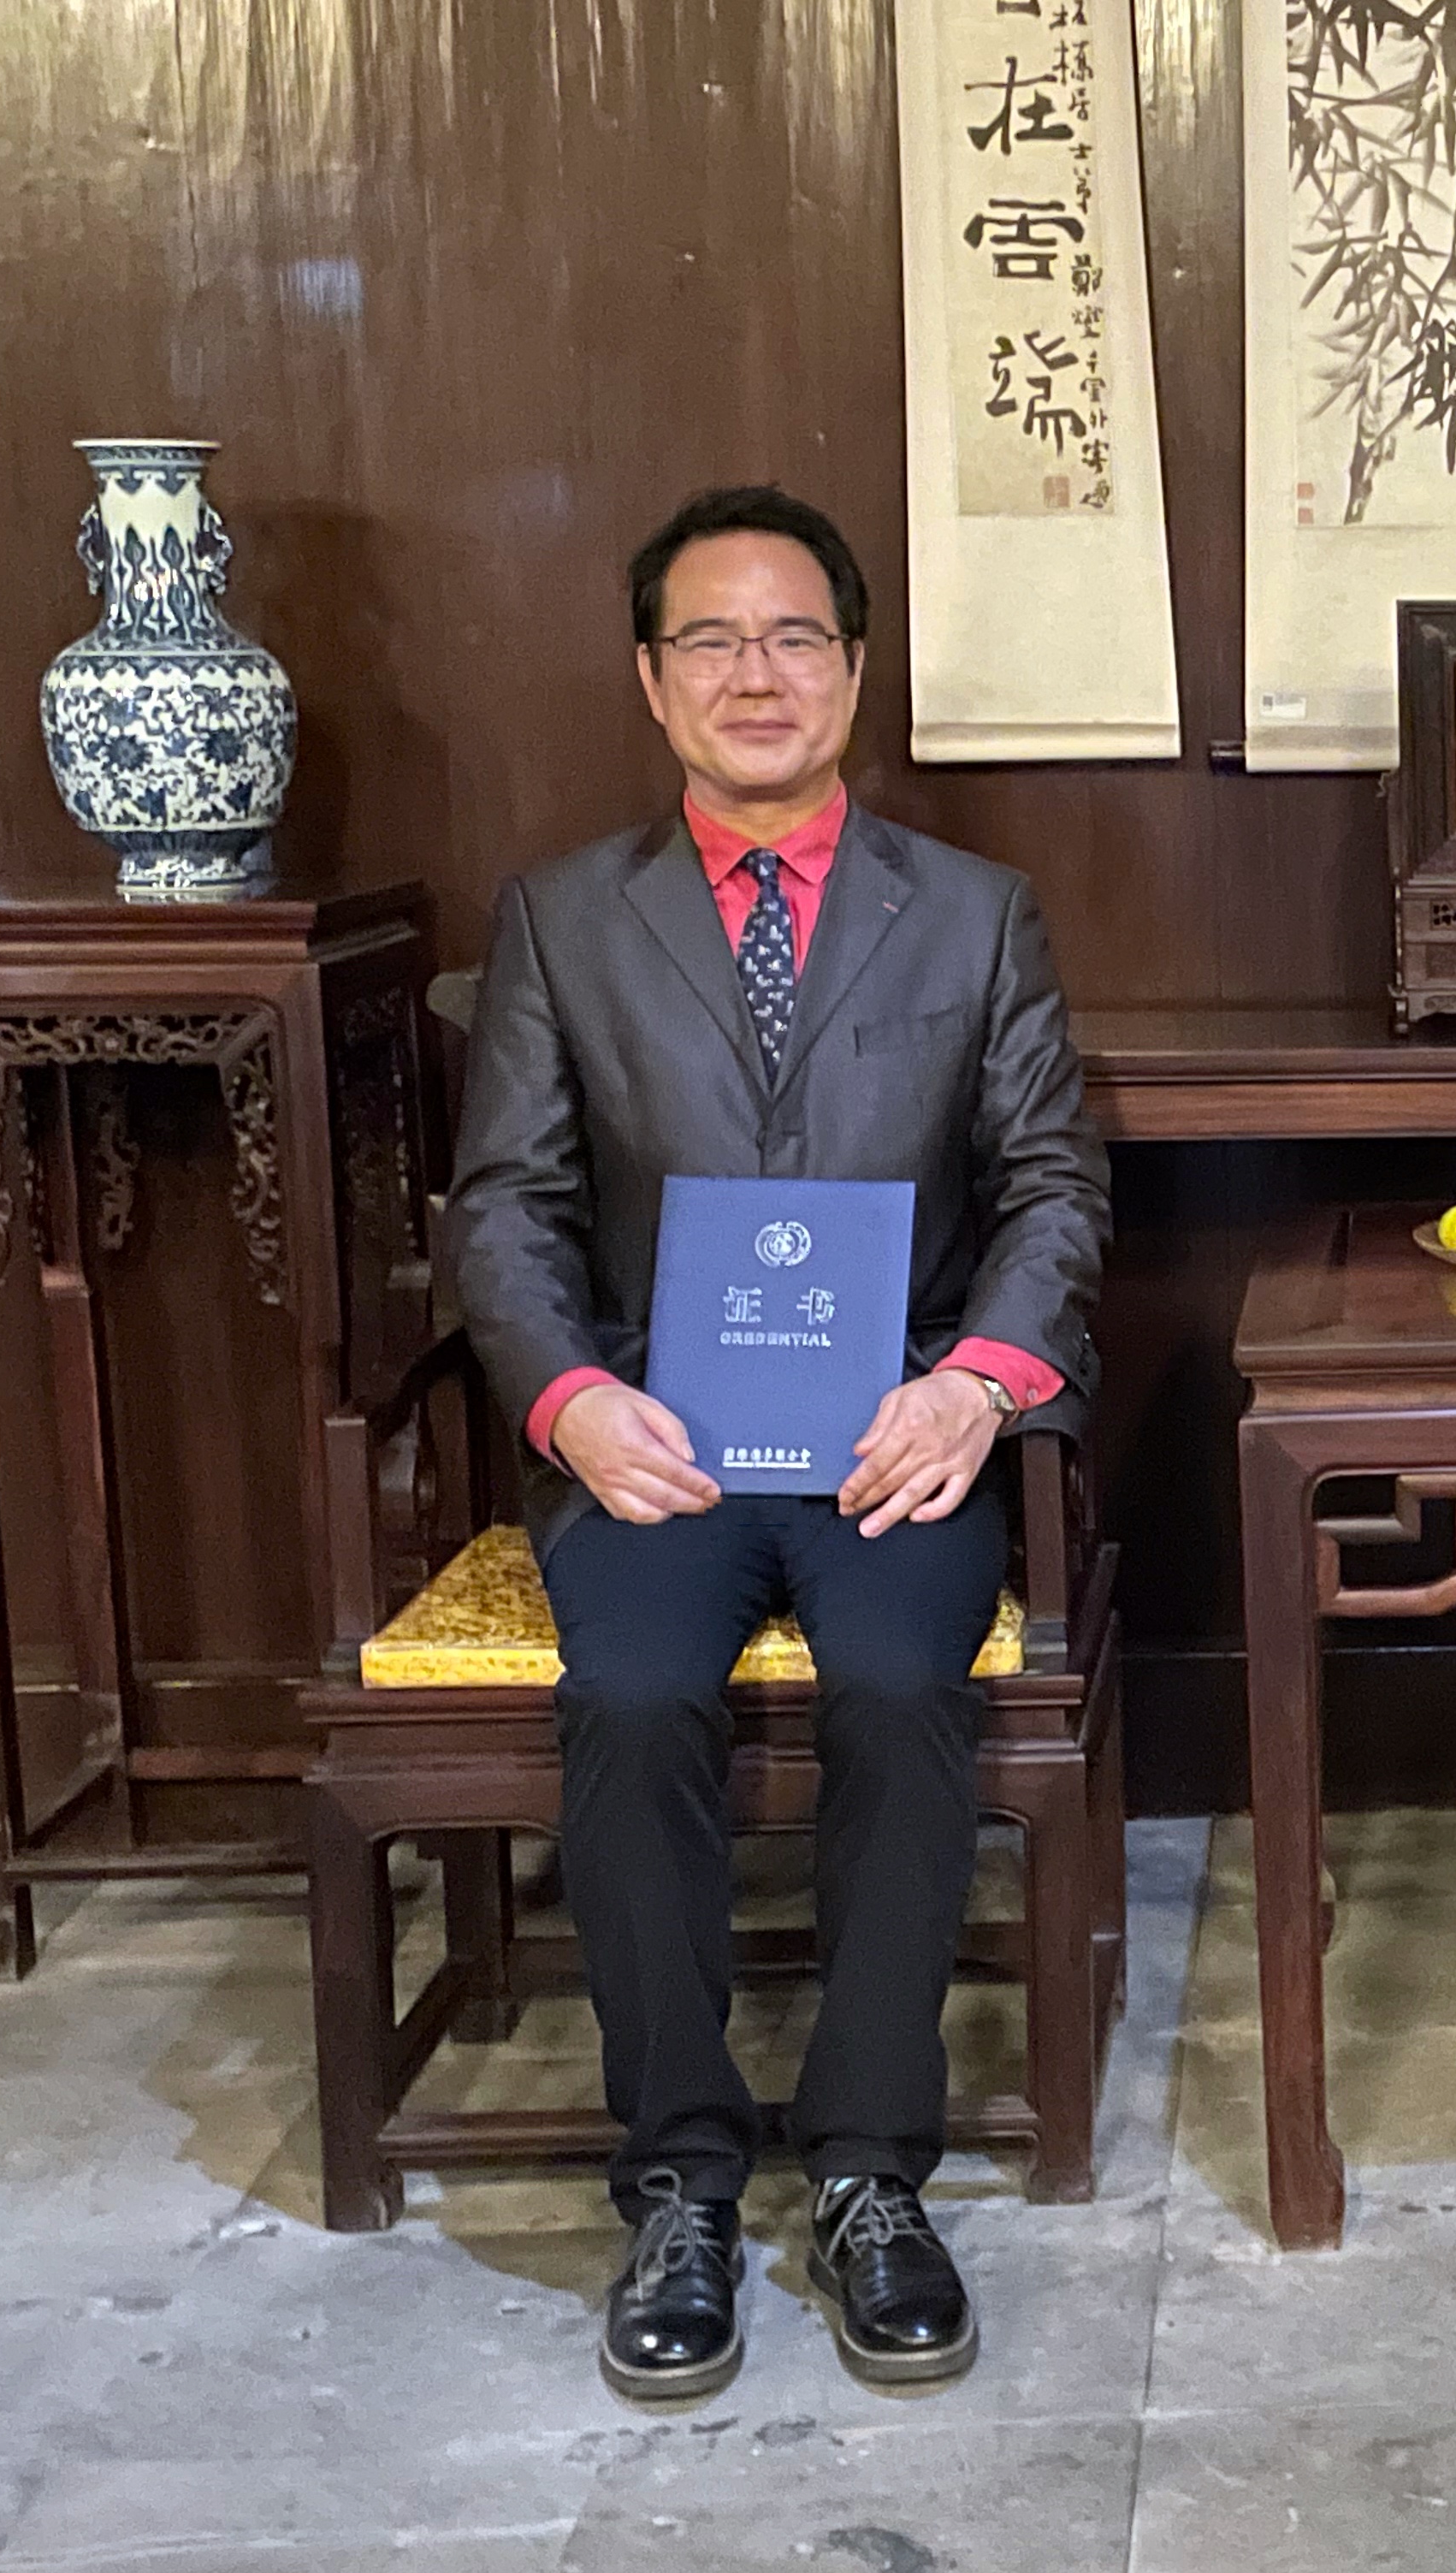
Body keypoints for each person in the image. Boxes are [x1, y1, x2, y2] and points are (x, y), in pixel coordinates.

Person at [444, 486, 1110, 2402]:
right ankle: (679, 2177)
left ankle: (873, 2171)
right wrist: (571, 1401)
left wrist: (979, 1382)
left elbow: (1053, 1185)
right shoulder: (562, 918)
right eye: (713, 641)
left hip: (896, 1430)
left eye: (795, 636)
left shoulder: (971, 912)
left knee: (901, 1682)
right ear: (653, 683)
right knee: (635, 1692)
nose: (758, 674)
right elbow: (505, 1206)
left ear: (855, 671)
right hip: (656, 1435)